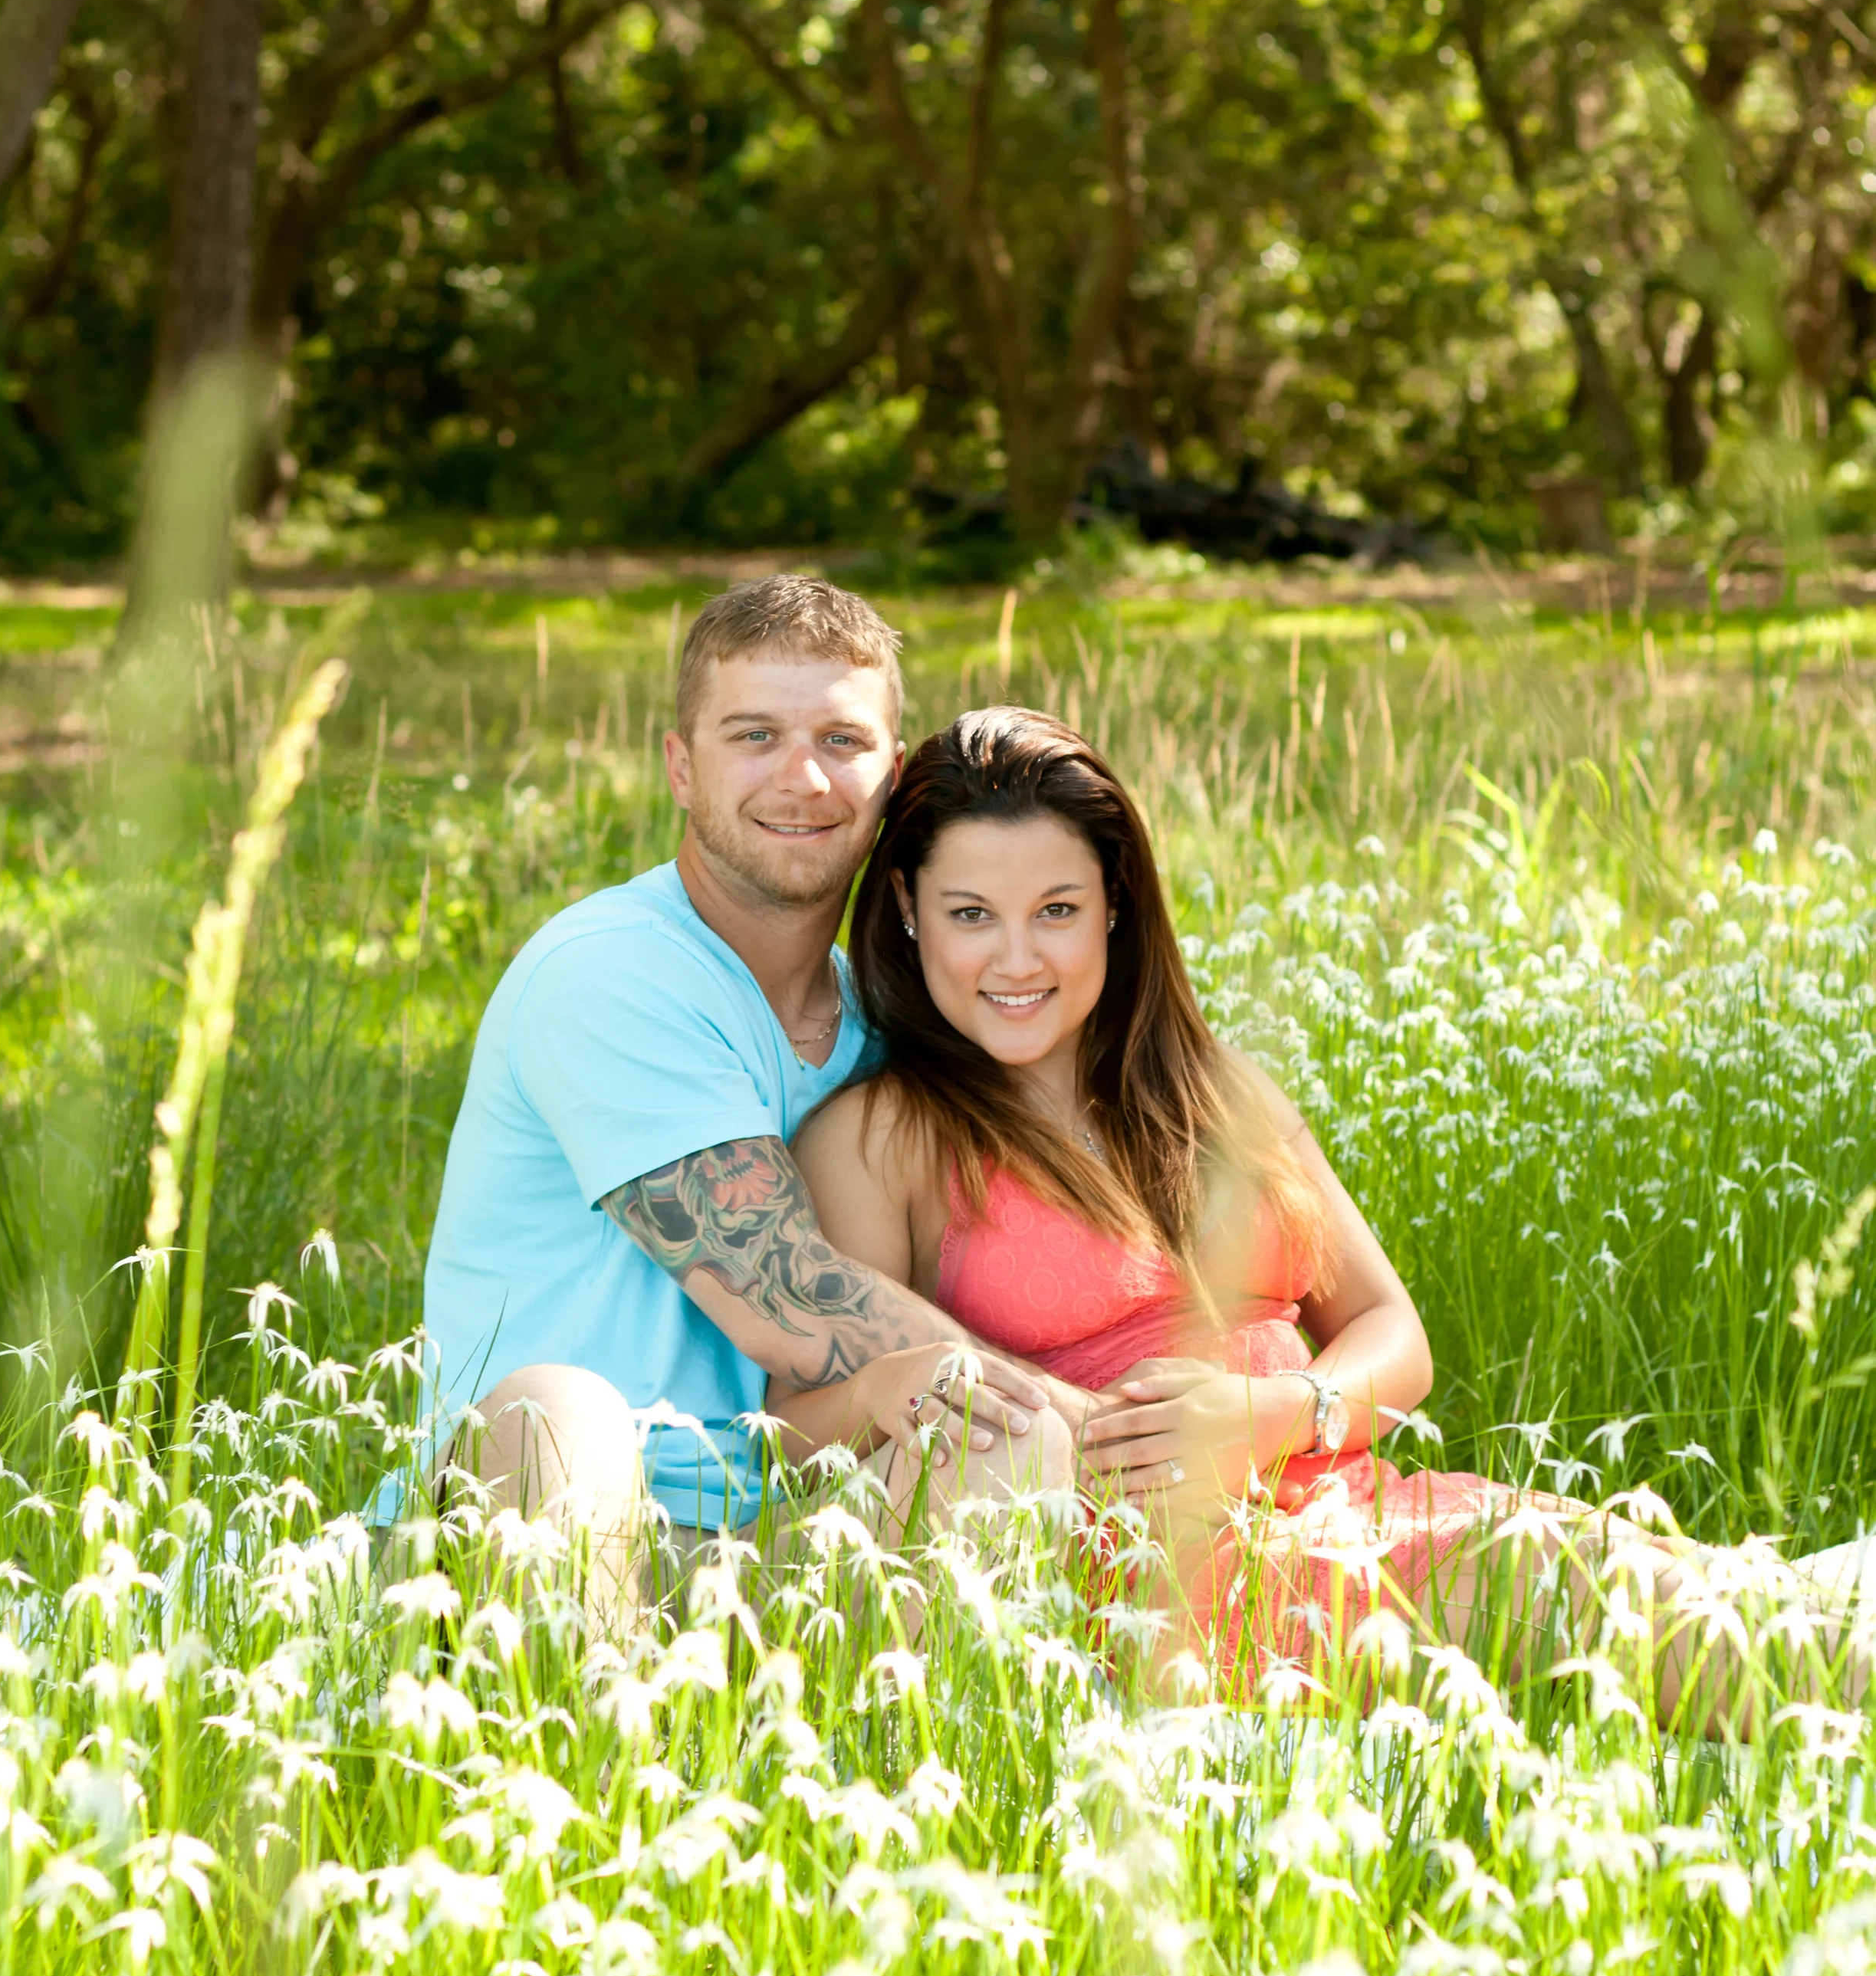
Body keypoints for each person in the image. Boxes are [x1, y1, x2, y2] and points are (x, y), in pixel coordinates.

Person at [790, 706, 1864, 1727]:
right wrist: (923, 1391)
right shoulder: (883, 1139)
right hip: (1146, 1567)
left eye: (1056, 910)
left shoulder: (1217, 1090)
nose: (1016, 959)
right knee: (1660, 1612)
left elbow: (1395, 1334)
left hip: (1354, 1507)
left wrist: (1278, 1411)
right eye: (972, 913)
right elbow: (803, 1430)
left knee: (1703, 1600)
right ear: (907, 908)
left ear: (1115, 902)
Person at [406, 577, 1069, 1603]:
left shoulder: (885, 1016)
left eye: (841, 742)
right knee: (562, 1411)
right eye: (754, 735)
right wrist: (1095, 1412)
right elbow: (790, 1296)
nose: (802, 777)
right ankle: (582, 1755)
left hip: (785, 1516)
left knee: (998, 1434)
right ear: (680, 765)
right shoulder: (610, 969)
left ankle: (897, 1758)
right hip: (552, 1510)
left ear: (892, 775)